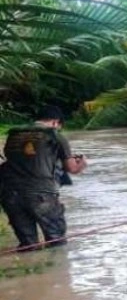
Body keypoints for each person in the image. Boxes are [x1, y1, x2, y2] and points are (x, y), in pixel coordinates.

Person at [0, 106, 87, 251]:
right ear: (55, 122)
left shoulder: (14, 134)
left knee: (28, 245)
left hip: (10, 194)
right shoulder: (55, 136)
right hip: (41, 194)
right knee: (57, 242)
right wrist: (82, 163)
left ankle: (31, 270)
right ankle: (56, 271)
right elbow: (72, 168)